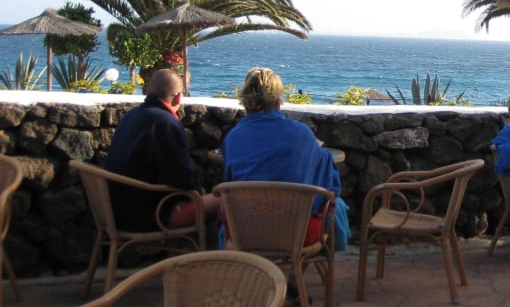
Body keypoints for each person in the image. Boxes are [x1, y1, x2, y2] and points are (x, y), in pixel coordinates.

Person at [222, 67, 350, 252]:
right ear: (277, 99)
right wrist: (314, 150)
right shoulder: (301, 134)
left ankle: (244, 272)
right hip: (297, 233)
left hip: (245, 231)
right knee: (334, 206)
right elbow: (330, 185)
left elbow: (230, 180)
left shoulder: (234, 137)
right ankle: (295, 273)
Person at [105, 68, 220, 244]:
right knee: (224, 200)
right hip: (150, 215)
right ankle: (210, 263)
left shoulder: (131, 115)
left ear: (148, 91)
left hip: (115, 211)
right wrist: (199, 191)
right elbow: (182, 179)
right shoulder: (165, 123)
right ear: (178, 98)